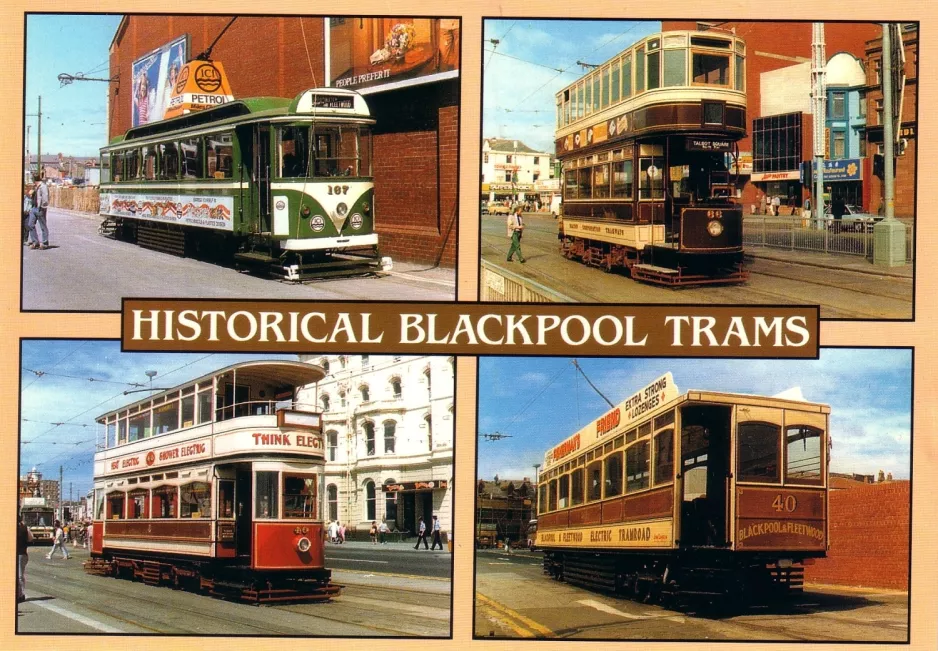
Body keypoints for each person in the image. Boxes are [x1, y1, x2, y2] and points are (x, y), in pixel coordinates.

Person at [26, 179, 50, 250]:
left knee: (43, 226)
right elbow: (32, 196)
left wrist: (42, 207)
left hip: (40, 208)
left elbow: (45, 198)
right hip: (34, 208)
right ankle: (35, 242)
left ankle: (45, 243)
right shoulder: (36, 187)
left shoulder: (43, 186)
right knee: (30, 224)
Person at [17, 513, 33, 603]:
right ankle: (20, 594)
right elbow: (31, 538)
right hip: (22, 553)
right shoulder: (25, 528)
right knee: (20, 575)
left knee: (18, 576)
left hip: (18, 554)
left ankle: (20, 594)